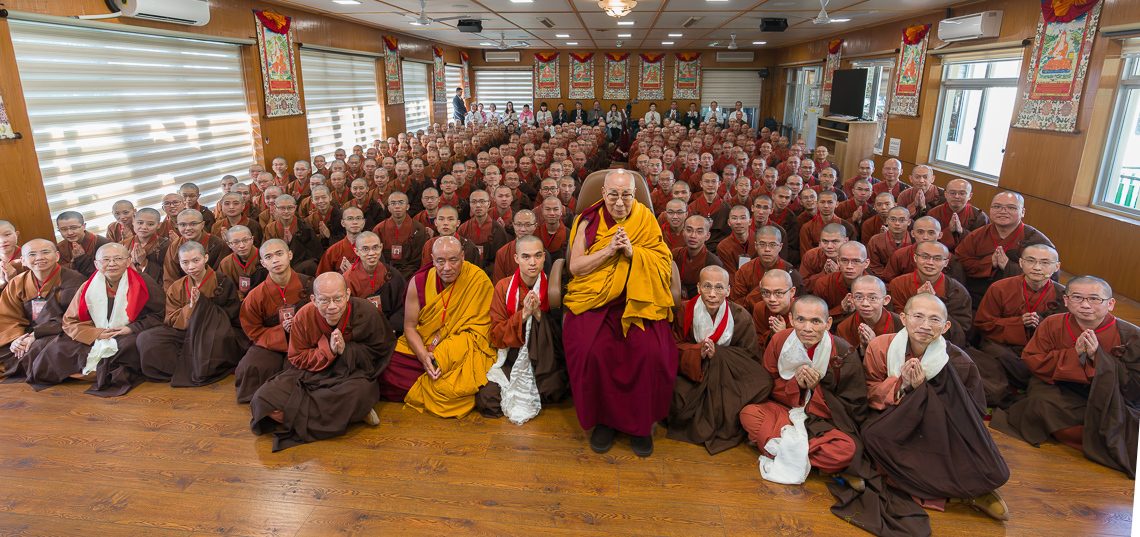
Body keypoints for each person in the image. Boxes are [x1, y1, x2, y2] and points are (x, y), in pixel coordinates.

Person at [834, 294, 1010, 535]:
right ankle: (958, 493)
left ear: (946, 326)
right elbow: (867, 391)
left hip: (940, 426)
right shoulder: (881, 346)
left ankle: (968, 489)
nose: (925, 325)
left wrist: (926, 396)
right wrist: (902, 386)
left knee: (988, 465)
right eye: (918, 317)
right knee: (873, 436)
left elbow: (973, 409)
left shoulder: (959, 360)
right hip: (893, 417)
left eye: (934, 319)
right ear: (904, 318)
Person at [563, 169, 678, 457]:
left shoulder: (645, 217)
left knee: (651, 352)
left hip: (638, 297)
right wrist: (609, 251)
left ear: (634, 195)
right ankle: (603, 422)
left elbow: (663, 261)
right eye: (613, 195)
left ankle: (641, 426)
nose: (619, 202)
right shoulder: (587, 219)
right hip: (597, 299)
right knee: (591, 350)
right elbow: (575, 267)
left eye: (626, 195)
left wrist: (633, 254)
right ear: (602, 194)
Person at [992, 276, 1140, 477]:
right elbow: (1033, 359)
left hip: (1107, 395)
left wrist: (1098, 358)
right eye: (1077, 297)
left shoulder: (1131, 335)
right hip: (1058, 386)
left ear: (1111, 303)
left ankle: (1092, 435)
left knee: (1125, 424)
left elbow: (1134, 383)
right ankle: (1092, 437)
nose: (1086, 305)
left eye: (1095, 299)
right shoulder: (1052, 323)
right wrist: (1072, 355)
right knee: (1040, 405)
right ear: (1066, 300)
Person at [250, 272, 395, 452]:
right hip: (311, 372)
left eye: (338, 299)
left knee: (361, 392)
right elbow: (296, 357)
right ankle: (350, 414)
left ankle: (303, 414)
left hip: (350, 374)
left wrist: (346, 350)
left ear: (348, 295)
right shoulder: (304, 315)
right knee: (262, 399)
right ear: (313, 299)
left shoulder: (366, 312)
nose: (332, 307)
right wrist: (327, 351)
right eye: (324, 300)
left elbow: (380, 351)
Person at [738, 295, 867, 481]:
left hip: (822, 421)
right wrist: (795, 385)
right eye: (800, 320)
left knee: (846, 449)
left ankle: (776, 448)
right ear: (791, 319)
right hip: (785, 411)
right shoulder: (780, 341)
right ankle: (810, 460)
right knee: (748, 413)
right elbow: (765, 384)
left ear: (828, 322)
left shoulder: (843, 351)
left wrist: (817, 389)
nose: (807, 328)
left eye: (815, 321)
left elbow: (853, 403)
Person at [27, 243, 164, 396]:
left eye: (118, 259)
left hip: (128, 332)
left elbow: (159, 314)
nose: (112, 264)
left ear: (128, 261)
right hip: (95, 331)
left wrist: (132, 328)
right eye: (106, 260)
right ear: (96, 264)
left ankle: (95, 375)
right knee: (58, 347)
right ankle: (87, 373)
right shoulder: (87, 287)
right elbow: (70, 321)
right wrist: (95, 333)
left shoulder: (143, 282)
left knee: (125, 348)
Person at [380, 237, 495, 418]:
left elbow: (480, 330)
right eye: (440, 261)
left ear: (463, 257)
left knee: (462, 363)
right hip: (425, 344)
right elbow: (409, 327)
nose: (447, 268)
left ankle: (436, 384)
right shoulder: (419, 281)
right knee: (386, 367)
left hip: (458, 349)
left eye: (453, 260)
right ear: (432, 259)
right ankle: (442, 386)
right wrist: (424, 356)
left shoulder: (478, 280)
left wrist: (446, 353)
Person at [668, 265, 767, 454]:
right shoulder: (684, 310)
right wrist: (698, 352)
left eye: (719, 288)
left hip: (726, 379)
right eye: (707, 286)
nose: (712, 294)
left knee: (760, 384)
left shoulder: (740, 316)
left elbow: (750, 360)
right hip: (692, 374)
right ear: (698, 288)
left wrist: (719, 354)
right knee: (674, 397)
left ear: (728, 290)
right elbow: (672, 347)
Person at [476, 235, 569, 421]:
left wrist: (538, 315)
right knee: (487, 399)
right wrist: (523, 315)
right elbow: (495, 335)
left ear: (544, 257)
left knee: (554, 389)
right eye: (526, 257)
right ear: (516, 259)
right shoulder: (503, 287)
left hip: (544, 359)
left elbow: (563, 336)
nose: (532, 262)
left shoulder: (554, 287)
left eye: (537, 256)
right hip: (512, 356)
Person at [137, 241, 244, 387]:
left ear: (205, 258)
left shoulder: (222, 282)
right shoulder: (177, 286)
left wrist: (203, 306)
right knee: (147, 338)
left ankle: (197, 369)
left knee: (212, 340)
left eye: (196, 261)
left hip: (214, 329)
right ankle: (175, 370)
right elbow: (171, 318)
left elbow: (231, 314)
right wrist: (191, 307)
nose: (191, 267)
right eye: (185, 262)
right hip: (185, 329)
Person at [971, 244, 1066, 408]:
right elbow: (983, 323)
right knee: (998, 354)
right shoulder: (1000, 288)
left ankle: (1021, 385)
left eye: (1045, 262)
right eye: (1031, 261)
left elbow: (1067, 333)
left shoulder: (1065, 296)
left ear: (1056, 266)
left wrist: (1042, 326)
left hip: (1042, 350)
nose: (1037, 267)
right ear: (1021, 263)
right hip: (1004, 345)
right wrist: (1017, 323)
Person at [234, 239, 313, 403]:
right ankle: (265, 400)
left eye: (279, 254)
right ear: (263, 263)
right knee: (250, 367)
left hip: (307, 340)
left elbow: (324, 314)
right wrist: (281, 332)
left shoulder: (309, 284)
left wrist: (302, 328)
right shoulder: (255, 296)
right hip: (273, 343)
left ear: (289, 255)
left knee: (305, 369)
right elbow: (253, 330)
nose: (275, 260)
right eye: (269, 257)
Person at [0, 239, 86, 380]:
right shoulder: (17, 282)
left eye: (45, 252)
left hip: (60, 332)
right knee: (12, 348)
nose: (39, 258)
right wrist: (17, 339)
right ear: (23, 260)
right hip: (26, 333)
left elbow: (75, 319)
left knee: (46, 348)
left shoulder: (75, 280)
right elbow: (7, 316)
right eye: (32, 254)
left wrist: (36, 335)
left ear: (57, 256)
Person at [954, 191, 1054, 302]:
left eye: (1011, 208)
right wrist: (989, 263)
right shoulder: (978, 235)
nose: (1003, 211)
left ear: (1023, 212)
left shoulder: (1037, 241)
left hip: (1019, 299)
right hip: (977, 295)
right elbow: (960, 261)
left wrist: (1008, 266)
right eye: (997, 206)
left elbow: (1048, 275)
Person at [888, 241, 972, 348]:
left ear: (946, 262)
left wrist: (935, 303)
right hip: (904, 344)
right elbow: (894, 321)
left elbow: (960, 333)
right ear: (915, 258)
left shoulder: (957, 291)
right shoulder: (898, 284)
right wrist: (917, 302)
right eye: (924, 257)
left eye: (937, 259)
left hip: (942, 346)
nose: (930, 262)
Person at [730, 225, 804, 311]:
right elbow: (735, 304)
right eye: (762, 244)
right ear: (755, 246)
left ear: (780, 246)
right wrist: (757, 294)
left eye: (772, 245)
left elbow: (799, 306)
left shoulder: (790, 273)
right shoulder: (745, 270)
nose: (767, 249)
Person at [344, 231, 407, 331]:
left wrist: (391, 326)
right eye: (365, 249)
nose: (371, 253)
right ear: (356, 251)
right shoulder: (349, 278)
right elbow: (347, 313)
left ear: (381, 247)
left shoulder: (392, 274)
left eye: (375, 248)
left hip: (390, 326)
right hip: (363, 327)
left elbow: (403, 304)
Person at [833, 275, 901, 357]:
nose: (865, 304)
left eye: (872, 298)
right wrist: (862, 349)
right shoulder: (844, 328)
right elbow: (846, 363)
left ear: (886, 300)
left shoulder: (900, 324)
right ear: (851, 299)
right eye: (858, 297)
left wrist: (875, 345)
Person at [162, 209, 230, 289]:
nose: (188, 228)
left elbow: (222, 275)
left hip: (212, 289)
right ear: (177, 226)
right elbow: (170, 276)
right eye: (183, 225)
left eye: (193, 224)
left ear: (202, 225)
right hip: (184, 291)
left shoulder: (217, 244)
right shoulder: (175, 246)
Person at [373, 191, 429, 279]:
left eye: (401, 203)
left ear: (407, 206)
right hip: (385, 274)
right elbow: (377, 257)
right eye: (393, 203)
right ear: (389, 208)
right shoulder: (379, 229)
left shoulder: (418, 229)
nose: (397, 206)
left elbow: (418, 260)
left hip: (411, 274)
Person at [928, 178, 989, 252]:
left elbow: (982, 243)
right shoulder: (933, 213)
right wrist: (948, 231)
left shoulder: (979, 216)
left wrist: (962, 231)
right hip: (937, 253)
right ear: (946, 194)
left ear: (970, 196)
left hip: (967, 256)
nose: (957, 196)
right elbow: (928, 240)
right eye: (952, 193)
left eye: (962, 193)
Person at [672, 215, 725, 300]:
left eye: (699, 232)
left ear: (707, 236)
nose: (693, 235)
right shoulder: (675, 254)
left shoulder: (713, 263)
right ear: (683, 232)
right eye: (689, 230)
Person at [811, 241, 870, 317]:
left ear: (866, 263)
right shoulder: (823, 283)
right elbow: (815, 317)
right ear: (838, 261)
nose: (849, 266)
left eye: (856, 261)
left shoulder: (875, 287)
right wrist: (841, 309)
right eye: (844, 260)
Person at [457, 190, 510, 271]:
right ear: (470, 204)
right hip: (467, 271)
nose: (478, 205)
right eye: (474, 202)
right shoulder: (463, 228)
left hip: (490, 273)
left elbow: (501, 258)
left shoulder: (498, 229)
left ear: (488, 204)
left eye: (482, 201)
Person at [55, 211, 111, 278]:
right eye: (64, 229)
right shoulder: (59, 248)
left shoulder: (102, 243)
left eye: (74, 228)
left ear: (84, 226)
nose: (69, 233)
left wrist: (81, 258)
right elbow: (60, 273)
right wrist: (74, 262)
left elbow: (108, 271)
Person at [749, 269, 797, 347]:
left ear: (792, 292)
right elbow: (758, 343)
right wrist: (771, 334)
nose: (772, 299)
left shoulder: (803, 312)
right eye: (766, 292)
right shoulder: (760, 309)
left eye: (778, 293)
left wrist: (784, 334)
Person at [316, 207, 367, 275]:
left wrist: (354, 272)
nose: (355, 222)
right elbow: (322, 278)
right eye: (350, 218)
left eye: (358, 218)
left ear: (363, 223)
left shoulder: (373, 247)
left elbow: (379, 273)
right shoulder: (332, 251)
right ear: (342, 223)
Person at [866, 206, 913, 279]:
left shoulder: (915, 240)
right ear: (887, 221)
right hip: (883, 281)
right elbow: (874, 266)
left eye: (902, 220)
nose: (897, 223)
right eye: (893, 219)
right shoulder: (875, 240)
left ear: (909, 222)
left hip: (908, 281)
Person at [124, 208, 168, 284]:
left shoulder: (165, 245)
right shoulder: (123, 244)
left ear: (158, 225)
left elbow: (169, 274)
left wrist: (143, 263)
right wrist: (130, 262)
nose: (144, 227)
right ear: (133, 222)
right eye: (140, 223)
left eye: (150, 224)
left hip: (155, 288)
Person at [716, 205, 756, 280]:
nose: (738, 222)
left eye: (743, 218)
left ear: (750, 221)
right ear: (729, 222)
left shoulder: (759, 241)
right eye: (734, 218)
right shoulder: (723, 247)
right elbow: (730, 276)